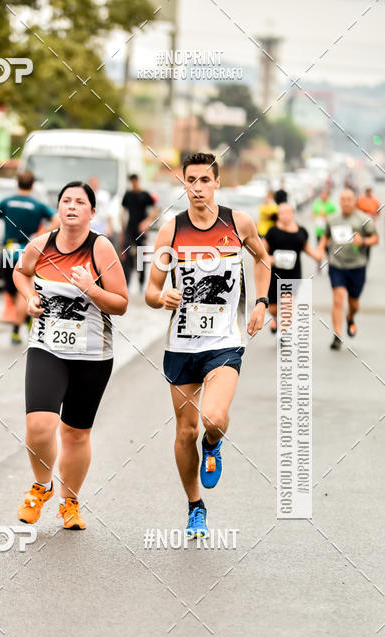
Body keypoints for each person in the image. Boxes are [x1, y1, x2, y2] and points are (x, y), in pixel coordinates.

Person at [145, 152, 270, 538]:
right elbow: (150, 290)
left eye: (204, 180)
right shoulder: (171, 230)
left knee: (212, 419)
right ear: (182, 184)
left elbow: (263, 260)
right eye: (190, 180)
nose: (197, 187)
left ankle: (213, 443)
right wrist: (160, 297)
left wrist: (261, 303)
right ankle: (195, 506)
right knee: (185, 432)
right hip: (181, 344)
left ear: (217, 183)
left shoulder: (238, 223)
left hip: (223, 343)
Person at [12, 181, 128, 530]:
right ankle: (41, 486)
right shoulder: (42, 244)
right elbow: (20, 271)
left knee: (76, 434)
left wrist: (90, 288)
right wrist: (29, 297)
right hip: (47, 347)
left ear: (92, 212)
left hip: (92, 355)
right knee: (39, 425)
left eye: (80, 202)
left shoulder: (101, 248)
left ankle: (70, 502)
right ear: (58, 208)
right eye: (66, 200)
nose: (72, 206)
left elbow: (121, 303)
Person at [0, 170, 58, 344]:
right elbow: (57, 220)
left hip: (9, 251)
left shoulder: (7, 202)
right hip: (28, 250)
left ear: (18, 184)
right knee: (26, 289)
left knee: (13, 289)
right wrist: (42, 232)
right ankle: (21, 322)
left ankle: (18, 325)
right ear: (32, 185)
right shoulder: (37, 205)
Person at [318, 188, 379, 350]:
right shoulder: (333, 219)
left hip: (357, 266)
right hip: (337, 264)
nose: (346, 203)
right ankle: (337, 335)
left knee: (354, 304)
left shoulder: (363, 219)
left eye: (349, 200)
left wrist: (364, 241)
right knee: (338, 297)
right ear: (339, 202)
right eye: (343, 200)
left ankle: (350, 317)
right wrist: (320, 248)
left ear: (354, 201)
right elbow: (325, 236)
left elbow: (375, 238)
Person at [263, 203, 322, 337]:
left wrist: (317, 256)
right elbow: (261, 252)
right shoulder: (272, 232)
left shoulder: (301, 231)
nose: (285, 215)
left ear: (293, 214)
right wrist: (270, 259)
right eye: (282, 213)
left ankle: (282, 334)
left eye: (288, 212)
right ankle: (275, 318)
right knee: (273, 308)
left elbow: (306, 248)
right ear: (278, 215)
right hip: (274, 274)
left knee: (287, 303)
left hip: (293, 274)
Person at [121, 174, 157, 290]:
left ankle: (141, 282)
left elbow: (155, 211)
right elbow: (122, 212)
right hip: (130, 228)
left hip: (141, 230)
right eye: (132, 181)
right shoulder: (128, 195)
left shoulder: (145, 195)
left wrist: (147, 222)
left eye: (135, 181)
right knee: (127, 257)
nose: (134, 183)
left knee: (141, 256)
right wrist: (123, 229)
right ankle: (126, 283)